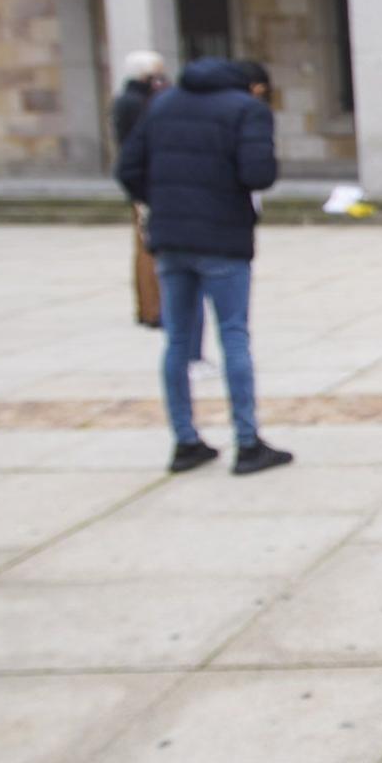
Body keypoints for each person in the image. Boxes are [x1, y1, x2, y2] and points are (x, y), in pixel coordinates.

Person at [114, 58, 293, 477]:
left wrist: (165, 201)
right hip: (222, 236)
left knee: (178, 340)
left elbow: (127, 168)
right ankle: (247, 442)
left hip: (171, 237)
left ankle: (185, 439)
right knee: (233, 334)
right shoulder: (246, 110)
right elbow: (258, 173)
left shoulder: (162, 104)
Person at [112, 51, 168, 329]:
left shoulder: (134, 99)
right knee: (147, 247)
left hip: (145, 183)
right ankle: (151, 308)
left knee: (146, 246)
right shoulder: (135, 103)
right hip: (146, 185)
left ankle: (150, 306)